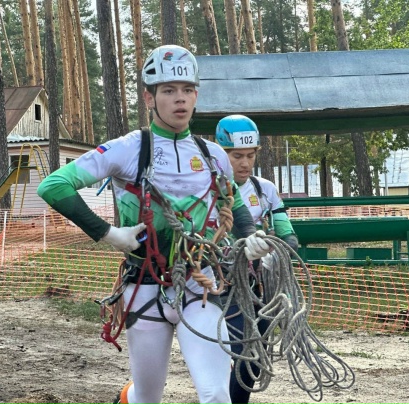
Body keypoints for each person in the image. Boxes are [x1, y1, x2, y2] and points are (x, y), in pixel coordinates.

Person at [37, 45, 271, 404]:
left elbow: (234, 202)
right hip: (144, 287)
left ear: (196, 96)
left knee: (216, 394)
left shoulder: (213, 155)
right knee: (147, 397)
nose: (180, 99)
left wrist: (251, 236)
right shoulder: (128, 149)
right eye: (168, 90)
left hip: (200, 285)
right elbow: (54, 186)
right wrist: (108, 233)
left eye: (188, 90)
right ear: (149, 98)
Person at [215, 114, 298, 404]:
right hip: (219, 283)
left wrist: (278, 250)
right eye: (237, 156)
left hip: (259, 285)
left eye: (250, 155)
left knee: (255, 355)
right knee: (243, 348)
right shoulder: (207, 189)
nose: (245, 163)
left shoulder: (265, 190)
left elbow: (288, 234)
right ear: (221, 153)